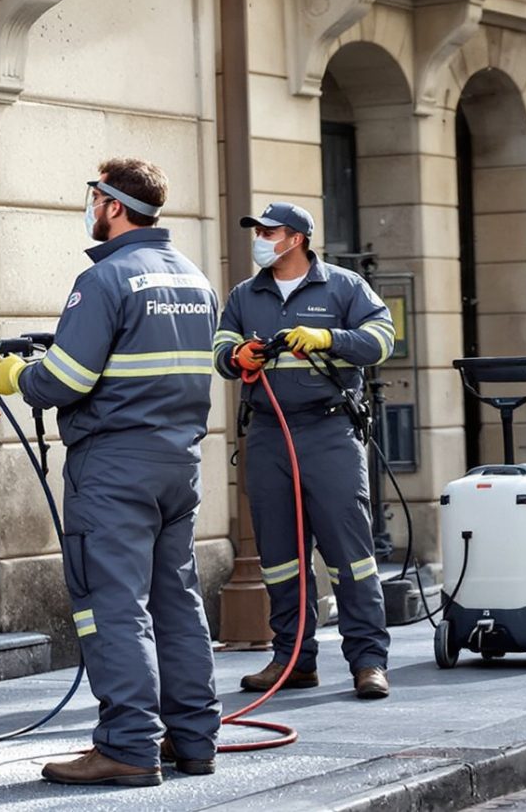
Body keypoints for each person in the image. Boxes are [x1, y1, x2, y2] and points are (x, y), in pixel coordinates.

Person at [0, 158, 219, 788]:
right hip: (177, 464)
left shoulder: (106, 279)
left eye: (93, 197)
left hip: (113, 468)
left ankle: (127, 746)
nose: (89, 207)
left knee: (113, 606)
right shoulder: (197, 279)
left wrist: (18, 378)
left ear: (112, 205)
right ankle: (194, 739)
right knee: (177, 602)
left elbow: (67, 379)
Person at [213, 200, 397, 700]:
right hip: (269, 434)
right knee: (280, 557)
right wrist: (237, 355)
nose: (261, 240)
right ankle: (293, 659)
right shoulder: (244, 295)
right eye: (258, 232)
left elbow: (382, 341)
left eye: (269, 232)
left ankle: (368, 662)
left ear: (296, 238)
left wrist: (328, 338)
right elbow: (220, 353)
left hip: (329, 433)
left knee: (350, 555)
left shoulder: (344, 286)